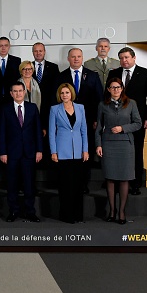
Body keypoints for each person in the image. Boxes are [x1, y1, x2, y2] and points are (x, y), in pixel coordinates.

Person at [108, 47, 147, 195]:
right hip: (116, 120)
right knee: (117, 152)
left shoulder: (145, 73)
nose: (124, 60)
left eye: (127, 57)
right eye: (121, 58)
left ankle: (135, 184)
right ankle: (116, 182)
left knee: (135, 151)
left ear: (134, 58)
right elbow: (107, 96)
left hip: (138, 121)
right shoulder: (114, 73)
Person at [95, 78, 142, 224]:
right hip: (108, 144)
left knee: (124, 178)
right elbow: (98, 127)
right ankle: (112, 211)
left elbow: (138, 123)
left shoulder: (131, 103)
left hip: (125, 144)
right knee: (110, 178)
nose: (116, 90)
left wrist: (123, 128)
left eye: (118, 87)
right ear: (108, 89)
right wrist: (98, 145)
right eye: (112, 87)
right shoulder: (103, 105)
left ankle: (121, 212)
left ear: (122, 89)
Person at [58, 48, 103, 193]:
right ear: (68, 58)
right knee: (69, 153)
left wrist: (97, 119)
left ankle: (83, 184)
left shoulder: (92, 76)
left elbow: (99, 99)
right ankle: (70, 183)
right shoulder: (61, 76)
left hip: (88, 121)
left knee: (85, 152)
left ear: (82, 58)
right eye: (73, 57)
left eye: (79, 56)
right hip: (66, 121)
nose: (76, 59)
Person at [0, 81, 43, 223]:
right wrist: (3, 152)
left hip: (29, 152)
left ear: (24, 92)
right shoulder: (5, 109)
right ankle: (13, 211)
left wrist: (39, 150)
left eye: (20, 91)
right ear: (11, 93)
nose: (18, 93)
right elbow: (2, 133)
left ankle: (30, 212)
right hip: (11, 153)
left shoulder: (32, 108)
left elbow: (37, 130)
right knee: (12, 184)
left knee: (29, 184)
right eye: (15, 91)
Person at [49, 83, 89, 224]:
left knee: (78, 186)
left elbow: (84, 130)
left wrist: (85, 150)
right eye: (62, 93)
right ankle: (67, 216)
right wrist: (53, 151)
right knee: (65, 186)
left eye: (67, 92)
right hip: (62, 152)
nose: (64, 95)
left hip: (78, 152)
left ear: (71, 93)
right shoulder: (54, 109)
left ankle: (78, 215)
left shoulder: (80, 108)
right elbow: (52, 132)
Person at [0, 36, 21, 106]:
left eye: (6, 45)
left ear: (9, 46)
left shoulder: (16, 61)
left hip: (12, 98)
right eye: (1, 46)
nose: (3, 48)